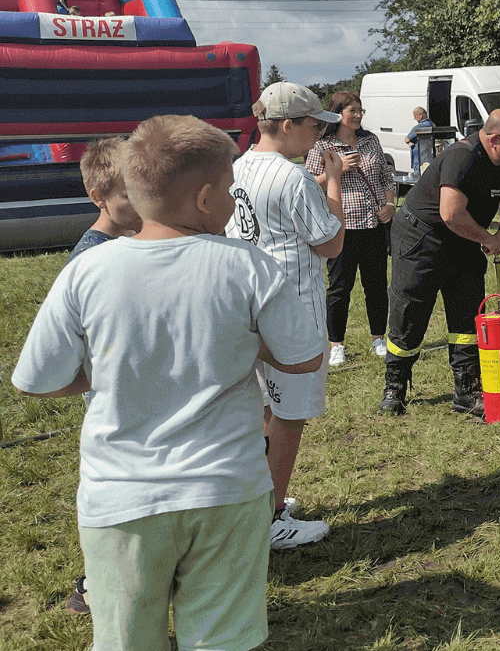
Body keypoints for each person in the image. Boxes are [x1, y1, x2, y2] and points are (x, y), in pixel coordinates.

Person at [12, 114, 325, 651]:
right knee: (225, 639)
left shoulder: (87, 272)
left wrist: (106, 373)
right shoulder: (248, 266)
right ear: (205, 199)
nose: (234, 200)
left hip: (121, 497)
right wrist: (241, 343)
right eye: (231, 189)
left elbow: (37, 380)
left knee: (127, 640)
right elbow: (302, 360)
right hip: (226, 488)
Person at [224, 82, 345, 549]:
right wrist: (333, 181)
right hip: (293, 307)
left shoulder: (237, 168)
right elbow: (330, 242)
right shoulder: (292, 177)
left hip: (247, 305)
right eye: (314, 125)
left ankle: (261, 499)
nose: (318, 135)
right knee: (291, 413)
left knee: (264, 410)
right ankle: (271, 517)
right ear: (288, 124)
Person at [380, 110, 500, 417]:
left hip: (466, 240)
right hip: (423, 238)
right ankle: (395, 387)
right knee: (410, 313)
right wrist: (487, 237)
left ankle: (467, 391)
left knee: (467, 315)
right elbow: (450, 212)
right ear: (495, 140)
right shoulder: (463, 156)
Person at [63, 136, 144, 615]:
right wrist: (105, 377)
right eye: (126, 195)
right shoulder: (88, 260)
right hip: (115, 413)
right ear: (99, 199)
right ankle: (94, 584)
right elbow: (66, 363)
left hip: (147, 402)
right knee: (116, 500)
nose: (139, 203)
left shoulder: (140, 244)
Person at [306, 91, 396, 366]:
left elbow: (386, 178)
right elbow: (308, 184)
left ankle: (379, 338)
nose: (357, 115)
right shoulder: (322, 146)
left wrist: (390, 205)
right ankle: (337, 344)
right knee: (339, 288)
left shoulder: (371, 141)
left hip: (373, 224)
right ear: (337, 114)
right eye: (351, 111)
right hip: (341, 226)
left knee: (377, 285)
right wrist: (338, 170)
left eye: (360, 111)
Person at [67, 137, 143, 262]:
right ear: (99, 197)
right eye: (130, 196)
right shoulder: (89, 257)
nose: (144, 204)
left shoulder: (138, 233)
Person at [405, 106, 435, 176]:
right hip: (430, 159)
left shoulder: (420, 126)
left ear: (420, 115)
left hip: (419, 161)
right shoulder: (433, 125)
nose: (415, 119)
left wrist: (409, 142)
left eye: (415, 116)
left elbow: (407, 139)